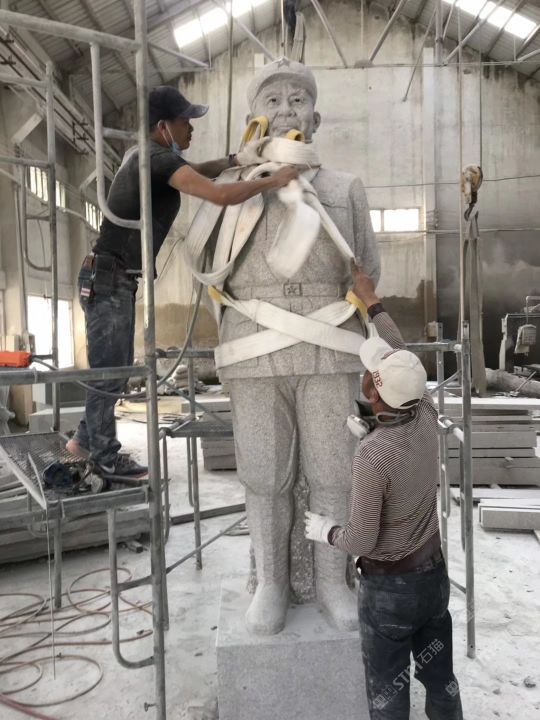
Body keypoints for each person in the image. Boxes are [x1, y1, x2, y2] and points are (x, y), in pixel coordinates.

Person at [182, 58, 380, 634]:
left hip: (328, 348)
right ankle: (272, 581)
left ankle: (332, 581)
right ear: (254, 117)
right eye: (273, 100)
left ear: (316, 118)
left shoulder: (344, 188)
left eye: (298, 99)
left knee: (333, 472)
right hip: (254, 350)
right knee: (264, 473)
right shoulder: (232, 193)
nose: (287, 110)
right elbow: (211, 274)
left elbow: (368, 268)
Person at [67, 85, 297, 476]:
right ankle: (104, 458)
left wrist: (235, 160)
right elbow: (219, 195)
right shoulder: (156, 160)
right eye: (185, 122)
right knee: (111, 373)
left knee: (113, 369)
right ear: (164, 126)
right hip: (109, 277)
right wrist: (274, 180)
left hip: (112, 276)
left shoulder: (146, 156)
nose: (191, 129)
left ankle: (85, 440)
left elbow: (195, 171)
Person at [305, 260, 463, 720]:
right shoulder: (424, 408)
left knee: (388, 691)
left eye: (371, 374)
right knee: (439, 676)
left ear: (375, 395)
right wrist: (370, 298)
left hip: (391, 592)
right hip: (433, 579)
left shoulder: (373, 455)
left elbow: (361, 540)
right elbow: (399, 352)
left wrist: (327, 531)